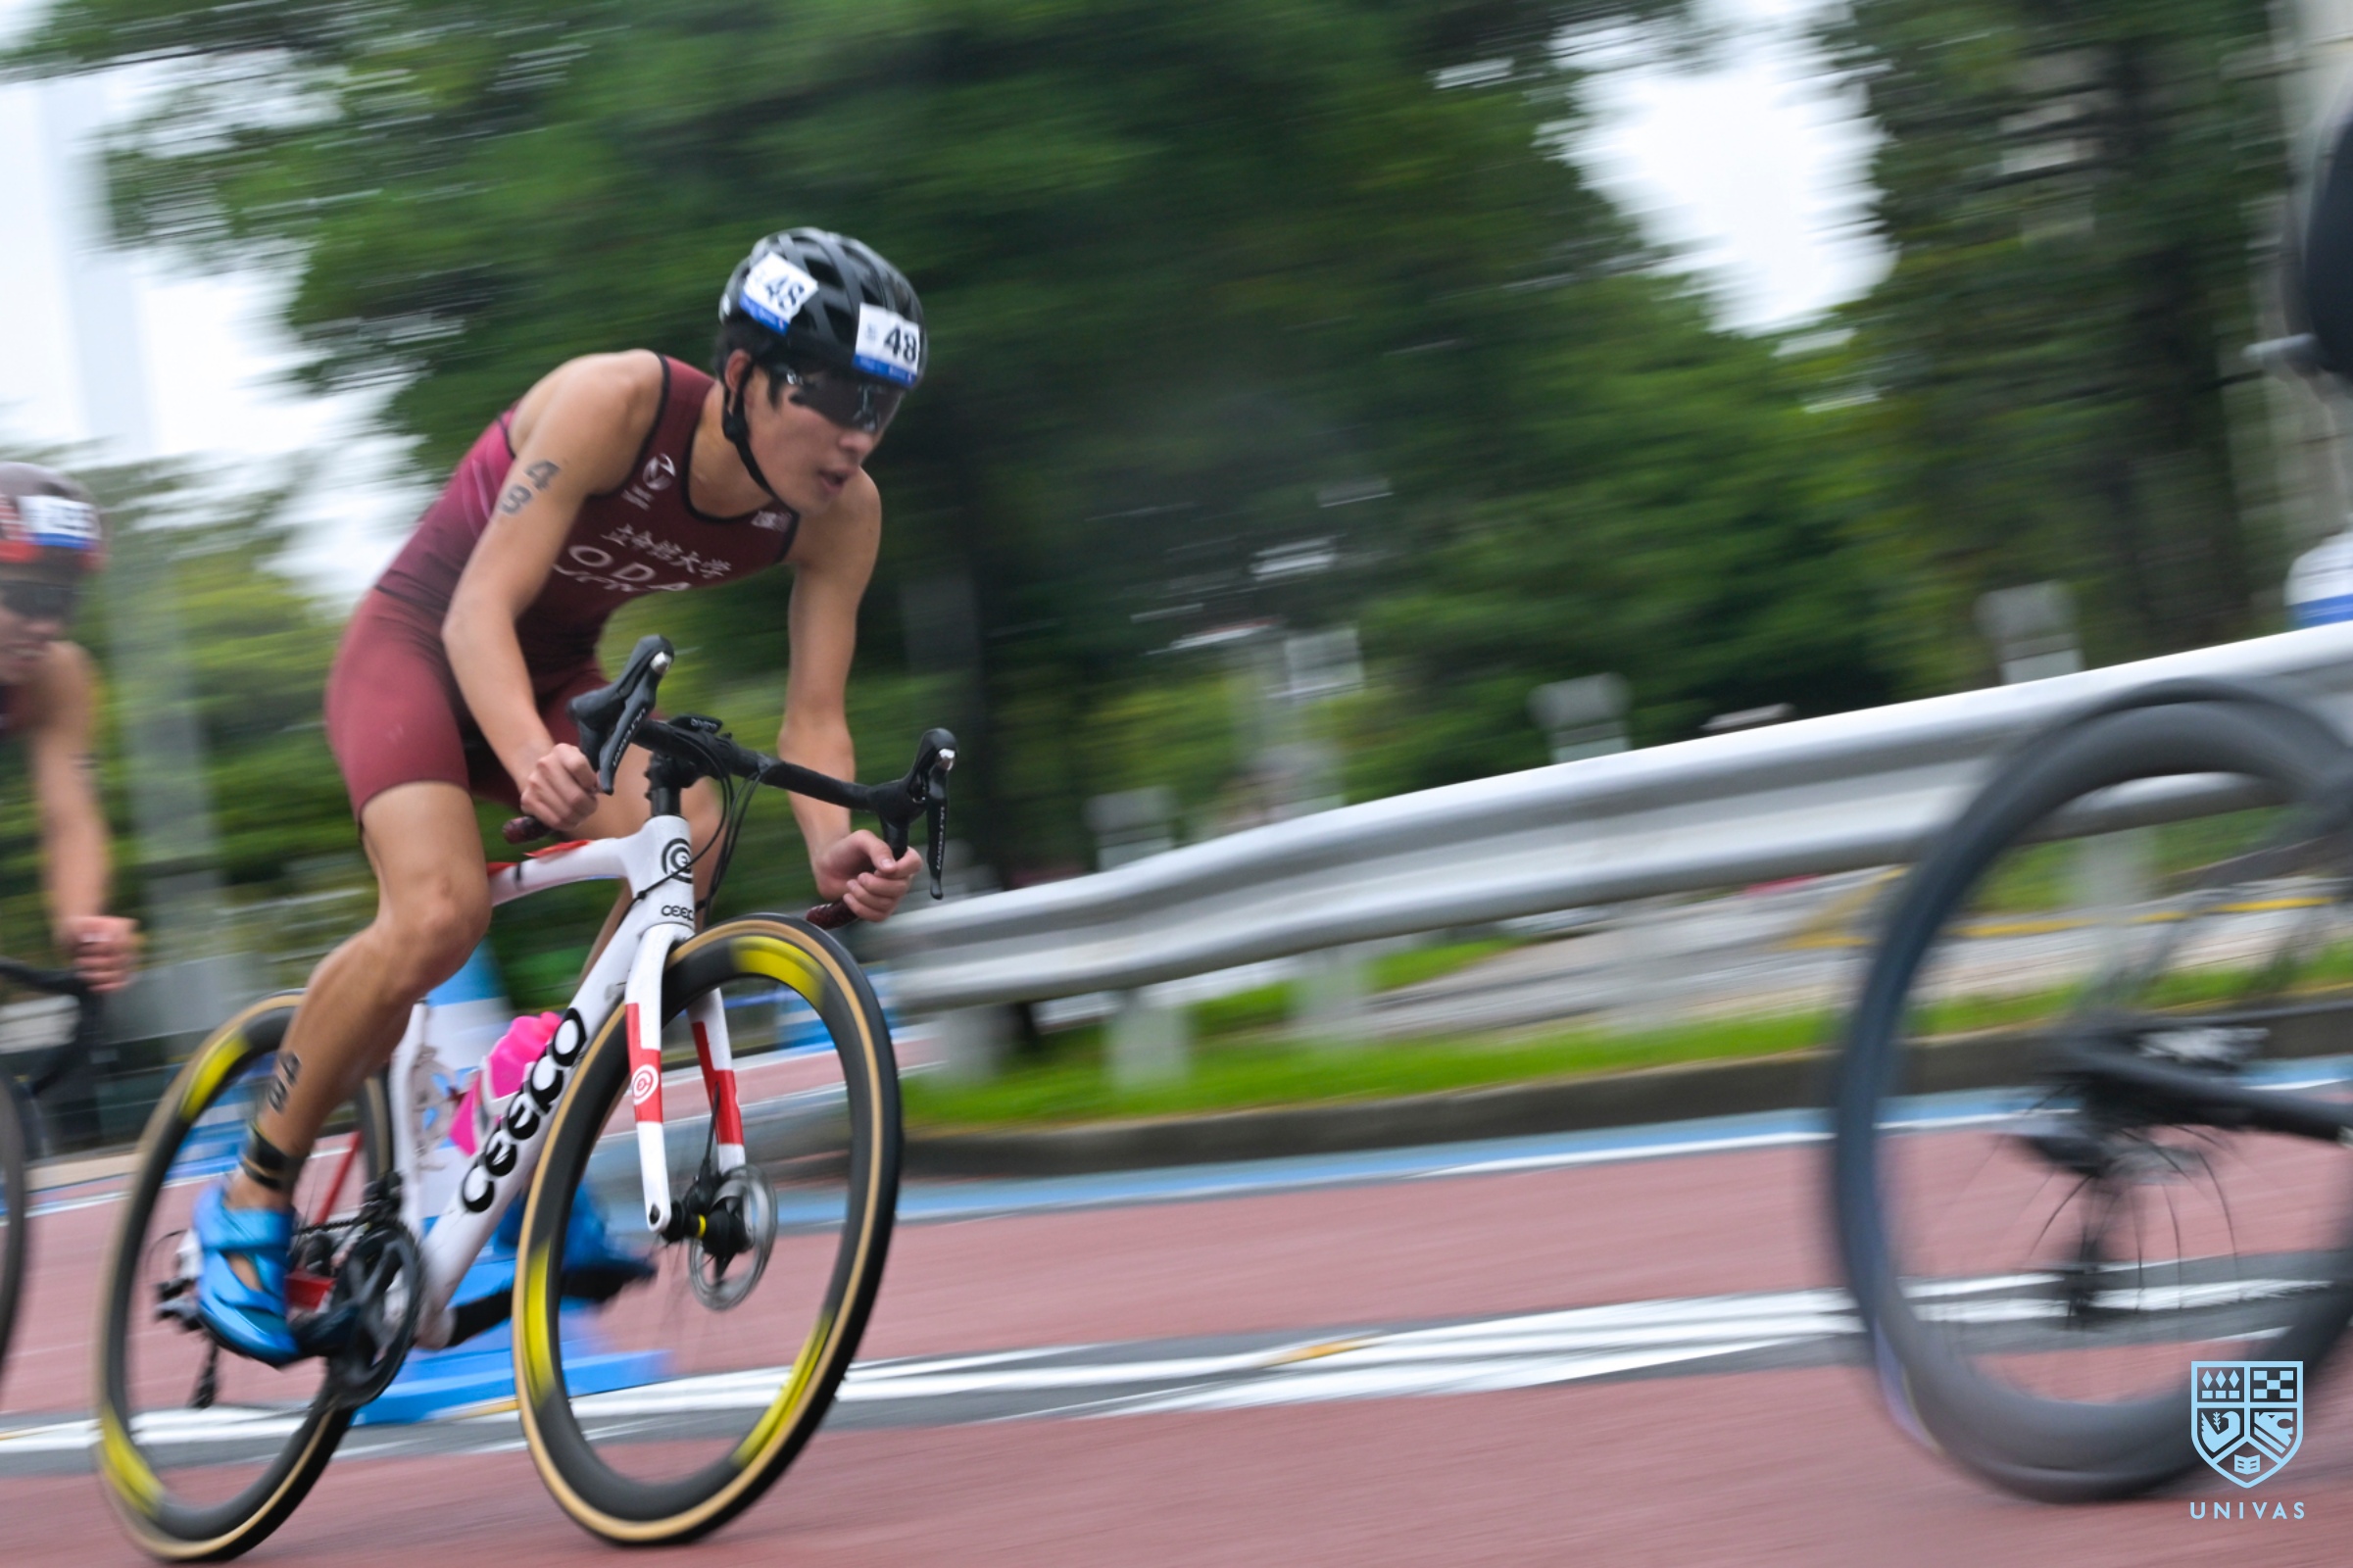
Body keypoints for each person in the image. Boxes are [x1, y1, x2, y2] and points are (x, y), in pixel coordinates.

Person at [194, 228, 930, 1364]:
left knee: (686, 830)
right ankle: (249, 1190)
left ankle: (530, 1106)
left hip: (554, 687)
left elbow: (814, 716)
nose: (855, 434)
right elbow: (474, 611)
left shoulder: (843, 511)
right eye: (832, 396)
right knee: (440, 914)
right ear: (743, 374)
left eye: (879, 406)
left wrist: (832, 841)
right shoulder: (614, 403)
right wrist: (525, 753)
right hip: (420, 648)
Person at [0, 465, 140, 997]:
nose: (49, 626)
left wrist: (84, 927)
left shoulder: (58, 674)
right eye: (27, 600)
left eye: (65, 602)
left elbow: (70, 821)